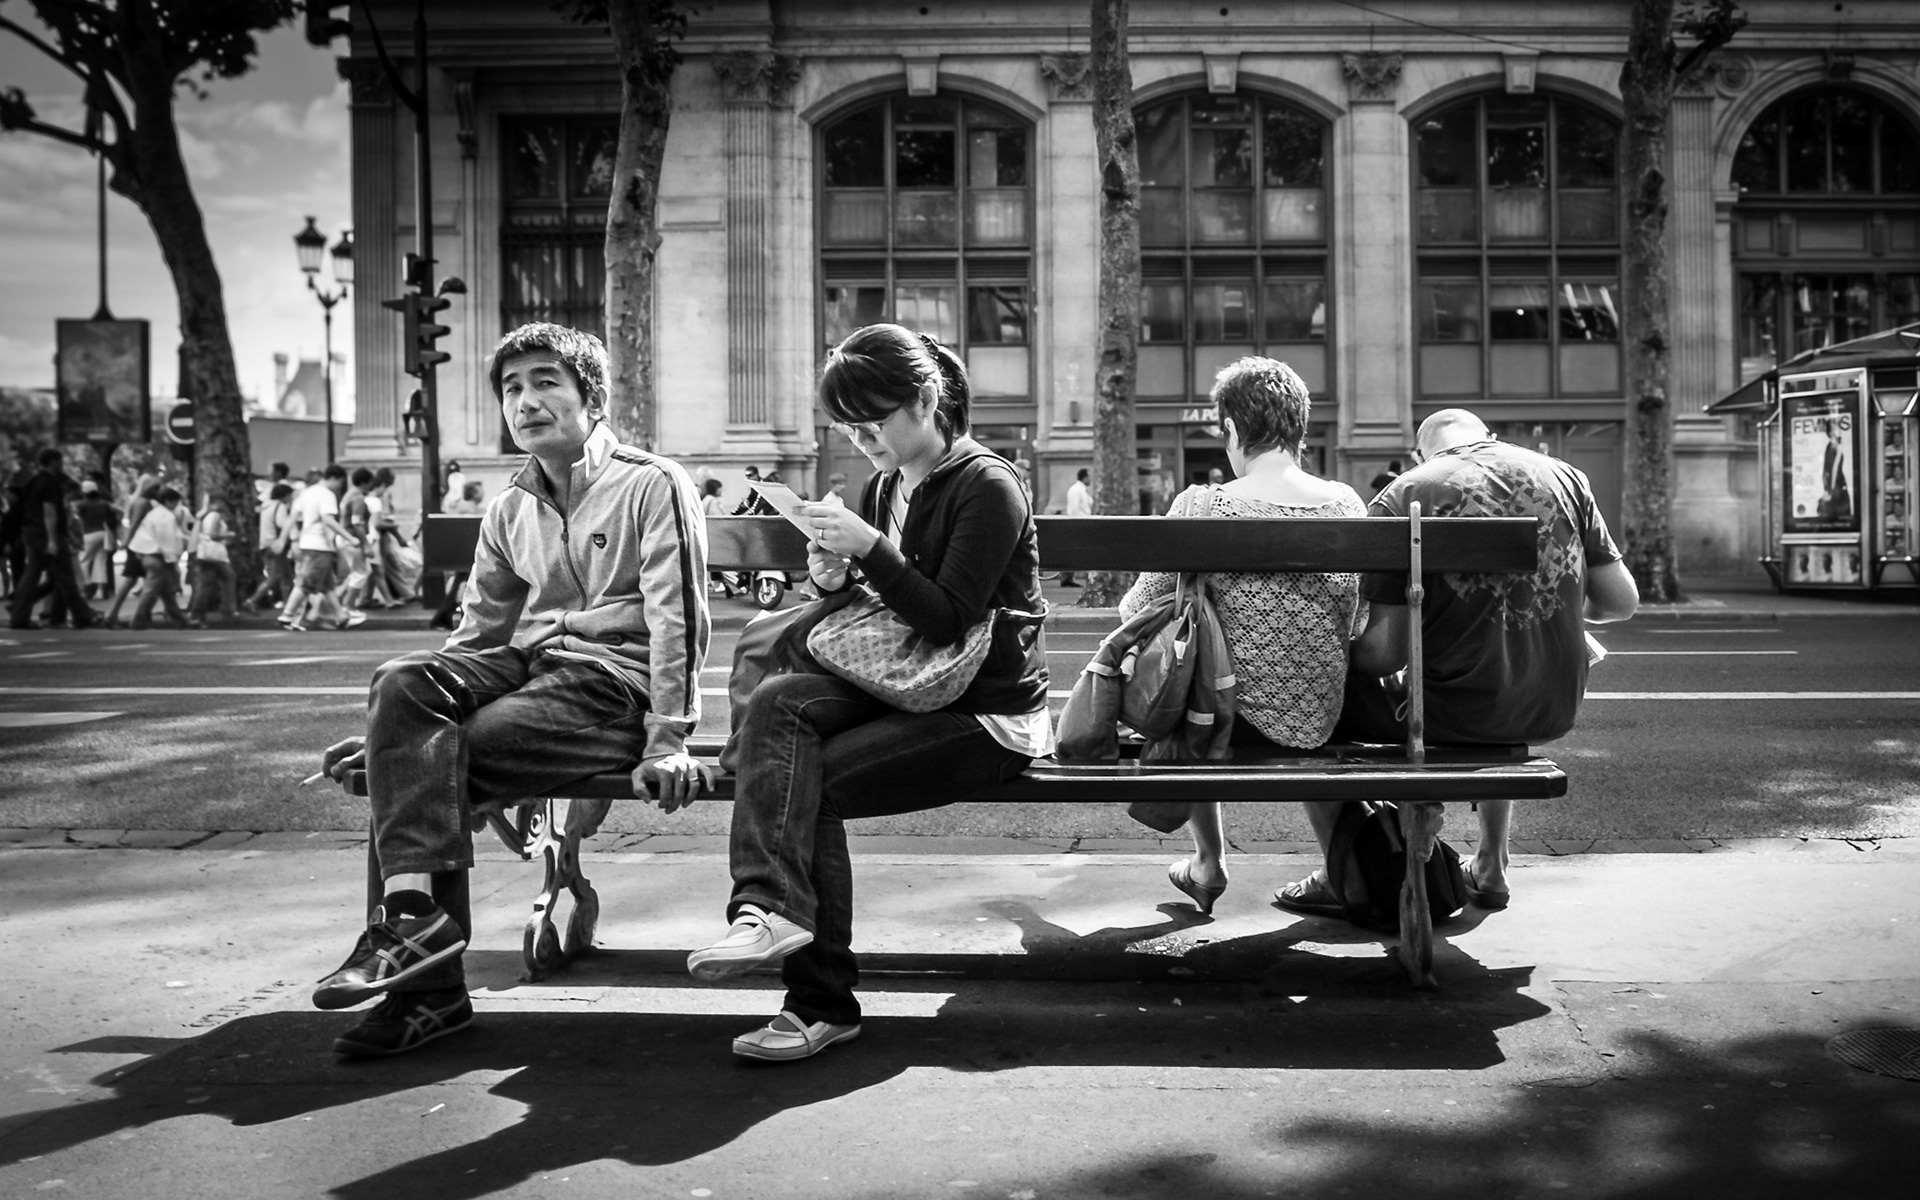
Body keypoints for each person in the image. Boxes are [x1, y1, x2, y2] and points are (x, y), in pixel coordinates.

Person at [312, 321, 711, 1058]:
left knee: (417, 767)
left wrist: (668, 738)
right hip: (532, 670)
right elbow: (475, 639)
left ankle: (426, 996)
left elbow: (677, 617)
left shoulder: (651, 483)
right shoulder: (508, 508)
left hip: (611, 687)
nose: (525, 401)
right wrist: (395, 725)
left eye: (545, 382)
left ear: (592, 398)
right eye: (511, 388)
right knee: (402, 686)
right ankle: (413, 921)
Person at [686, 324, 1049, 1063]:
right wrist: (832, 575)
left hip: (984, 713)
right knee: (779, 699)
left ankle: (818, 1002)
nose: (861, 440)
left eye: (872, 423)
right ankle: (766, 909)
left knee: (808, 782)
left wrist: (872, 549)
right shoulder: (886, 486)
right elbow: (882, 606)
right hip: (901, 686)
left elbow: (946, 619)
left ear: (925, 401)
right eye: (847, 427)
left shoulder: (988, 485)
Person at [1274, 408, 1639, 918]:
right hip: (1547, 705)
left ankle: (1347, 871)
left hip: (1448, 712)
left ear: (1421, 453)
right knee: (1492, 665)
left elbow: (1384, 654)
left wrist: (1324, 655)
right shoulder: (1566, 477)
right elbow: (1620, 603)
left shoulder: (1406, 493)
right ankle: (1491, 865)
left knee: (1316, 702)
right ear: (1489, 436)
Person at [1120, 358, 1366, 915]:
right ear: (1299, 426)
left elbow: (1136, 609)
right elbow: (1355, 624)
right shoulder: (1347, 504)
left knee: (1196, 670)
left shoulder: (1202, 504)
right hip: (1322, 718)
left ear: (1231, 429)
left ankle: (1209, 862)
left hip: (1223, 725)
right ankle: (1341, 865)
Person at [9, 448, 97, 630]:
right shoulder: (50, 484)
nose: (62, 465)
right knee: (66, 577)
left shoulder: (32, 482)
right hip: (50, 535)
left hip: (33, 534)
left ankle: (18, 615)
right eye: (60, 461)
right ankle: (82, 616)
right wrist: (52, 540)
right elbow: (49, 511)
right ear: (53, 462)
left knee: (31, 576)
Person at [279, 465, 364, 633]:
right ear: (334, 478)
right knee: (307, 582)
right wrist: (350, 537)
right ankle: (287, 615)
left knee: (327, 585)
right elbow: (328, 520)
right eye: (340, 483)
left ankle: (341, 617)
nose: (339, 487)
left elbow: (292, 517)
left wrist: (283, 539)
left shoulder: (307, 492)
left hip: (307, 542)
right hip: (319, 545)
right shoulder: (327, 495)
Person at [127, 486, 192, 629]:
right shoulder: (166, 517)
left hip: (149, 554)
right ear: (168, 501)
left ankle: (180, 621)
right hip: (157, 556)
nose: (176, 506)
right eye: (175, 502)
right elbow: (167, 540)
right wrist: (172, 560)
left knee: (166, 592)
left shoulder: (154, 514)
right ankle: (138, 620)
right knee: (151, 591)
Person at [102, 478, 160, 628]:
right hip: (139, 546)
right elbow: (134, 524)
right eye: (155, 488)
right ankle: (114, 615)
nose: (158, 491)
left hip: (140, 545)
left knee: (139, 581)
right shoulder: (142, 503)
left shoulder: (140, 502)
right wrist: (127, 541)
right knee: (134, 581)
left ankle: (136, 615)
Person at [429, 481, 485, 631]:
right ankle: (443, 618)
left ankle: (445, 617)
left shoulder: (466, 506)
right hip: (466, 552)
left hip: (464, 552)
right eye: (480, 490)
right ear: (473, 493)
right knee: (461, 584)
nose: (483, 493)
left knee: (460, 583)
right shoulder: (468, 508)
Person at [187, 496, 239, 625]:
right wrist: (228, 535)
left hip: (212, 555)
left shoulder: (208, 516)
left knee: (224, 578)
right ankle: (201, 614)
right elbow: (212, 534)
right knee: (208, 585)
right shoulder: (215, 515)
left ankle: (226, 609)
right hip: (213, 556)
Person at [247, 483, 297, 612]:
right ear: (285, 495)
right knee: (274, 577)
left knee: (287, 576)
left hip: (266, 544)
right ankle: (252, 600)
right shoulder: (280, 506)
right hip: (276, 545)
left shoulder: (266, 506)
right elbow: (282, 524)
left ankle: (288, 605)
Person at [76, 479, 119, 600]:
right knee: (100, 561)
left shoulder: (81, 504)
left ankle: (84, 589)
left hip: (88, 534)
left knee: (83, 561)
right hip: (102, 533)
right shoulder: (104, 503)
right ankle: (100, 591)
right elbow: (118, 510)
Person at [699, 478, 738, 597]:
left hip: (706, 535)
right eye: (720, 489)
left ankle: (720, 586)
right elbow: (718, 518)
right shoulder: (712, 501)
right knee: (722, 563)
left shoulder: (706, 499)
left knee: (711, 564)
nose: (722, 491)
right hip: (713, 536)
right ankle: (738, 585)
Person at [1059, 467, 1094, 586]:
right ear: (1084, 477)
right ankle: (1066, 576)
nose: (1091, 479)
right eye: (1089, 476)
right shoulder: (1076, 490)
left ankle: (1069, 576)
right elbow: (1074, 509)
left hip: (1084, 523)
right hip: (1079, 524)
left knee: (1076, 551)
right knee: (1073, 551)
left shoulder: (1082, 490)